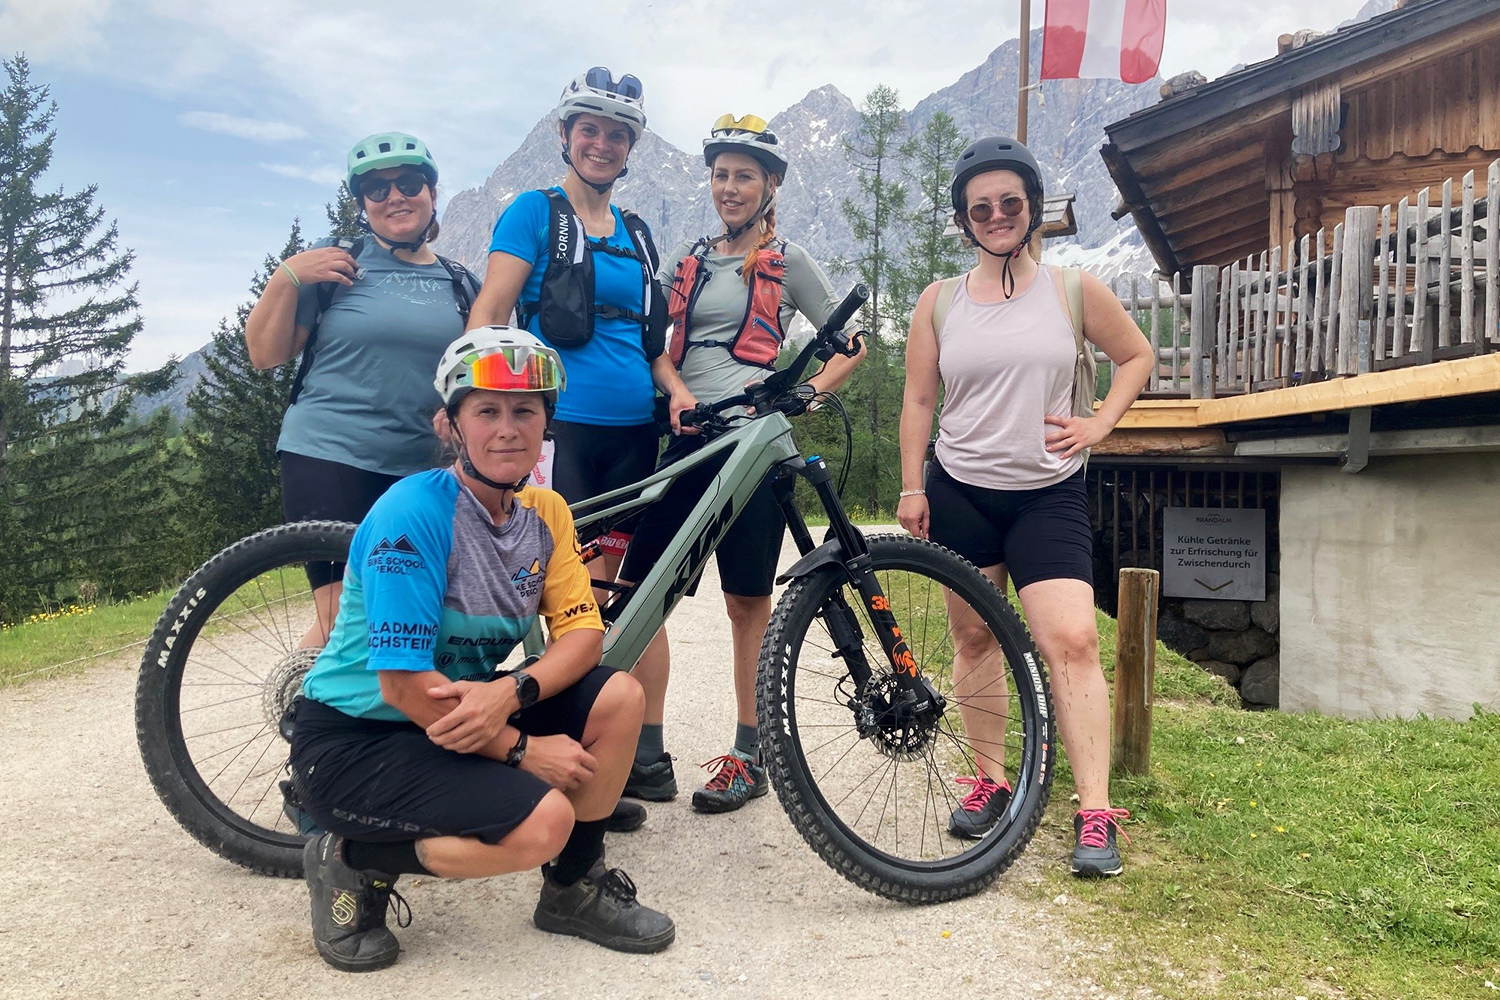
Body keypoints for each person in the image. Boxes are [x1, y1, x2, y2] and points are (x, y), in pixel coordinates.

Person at [289, 328, 675, 972]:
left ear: (547, 423)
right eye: (486, 410)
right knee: (542, 822)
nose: (508, 428)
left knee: (618, 696)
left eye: (525, 410)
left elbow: (582, 637)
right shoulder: (413, 514)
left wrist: (513, 691)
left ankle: (572, 890)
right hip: (358, 739)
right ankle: (349, 857)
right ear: (451, 424)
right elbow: (403, 687)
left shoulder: (545, 512)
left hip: (460, 717)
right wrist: (524, 751)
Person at [897, 137, 1154, 877]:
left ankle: (1096, 810)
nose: (998, 215)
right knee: (974, 637)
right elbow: (919, 399)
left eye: (1011, 203)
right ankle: (990, 781)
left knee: (1070, 638)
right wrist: (913, 485)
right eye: (981, 207)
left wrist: (1099, 422)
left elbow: (1135, 355)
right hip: (962, 489)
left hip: (1048, 492)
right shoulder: (939, 301)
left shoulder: (1073, 290)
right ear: (965, 219)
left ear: (1032, 209)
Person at [617, 114, 866, 813]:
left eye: (744, 176)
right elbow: (654, 342)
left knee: (745, 602)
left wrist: (804, 397)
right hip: (692, 440)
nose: (729, 187)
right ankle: (643, 749)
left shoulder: (791, 263)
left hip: (754, 448)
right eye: (721, 174)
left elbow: (850, 344)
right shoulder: (689, 260)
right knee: (641, 588)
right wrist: (678, 391)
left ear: (771, 185)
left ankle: (749, 753)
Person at [246, 131, 480, 644]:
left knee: (412, 617)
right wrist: (286, 278)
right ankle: (304, 718)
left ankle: (380, 722)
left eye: (410, 182)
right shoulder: (335, 268)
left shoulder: (462, 284)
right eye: (377, 189)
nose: (395, 196)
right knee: (344, 621)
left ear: (432, 193)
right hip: (328, 456)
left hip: (419, 468)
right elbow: (265, 354)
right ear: (363, 205)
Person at [465, 67, 696, 574]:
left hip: (634, 435)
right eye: (589, 129)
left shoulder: (637, 233)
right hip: (559, 427)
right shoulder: (534, 212)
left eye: (618, 135)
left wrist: (676, 390)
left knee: (614, 592)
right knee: (567, 588)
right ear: (565, 136)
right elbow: (489, 314)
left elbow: (649, 340)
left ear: (630, 149)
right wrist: (469, 403)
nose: (602, 144)